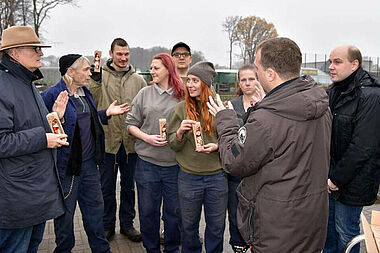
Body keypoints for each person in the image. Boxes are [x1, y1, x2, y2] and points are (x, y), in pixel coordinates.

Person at [208, 37, 332, 253]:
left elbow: (234, 162)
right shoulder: (320, 105)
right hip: (311, 222)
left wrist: (225, 120)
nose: (255, 74)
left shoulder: (267, 120)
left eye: (257, 68)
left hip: (276, 229)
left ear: (270, 73)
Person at [41, 54, 129, 253]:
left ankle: (101, 249)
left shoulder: (84, 92)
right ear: (70, 72)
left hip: (90, 166)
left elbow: (87, 122)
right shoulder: (51, 95)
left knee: (95, 214)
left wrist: (106, 113)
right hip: (67, 167)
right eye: (86, 69)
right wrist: (58, 119)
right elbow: (41, 129)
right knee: (65, 217)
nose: (90, 73)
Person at [0, 26, 66, 252]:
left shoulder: (25, 83)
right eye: (35, 48)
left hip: (33, 193)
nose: (40, 53)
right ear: (14, 53)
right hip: (18, 196)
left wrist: (55, 118)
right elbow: (2, 141)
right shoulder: (3, 86)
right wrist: (43, 138)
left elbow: (28, 126)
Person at [323, 45, 380, 253]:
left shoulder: (371, 96)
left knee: (346, 233)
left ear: (354, 64)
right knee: (328, 232)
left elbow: (364, 146)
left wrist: (336, 179)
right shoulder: (334, 91)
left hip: (352, 180)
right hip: (331, 176)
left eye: (337, 62)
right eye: (330, 62)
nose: (331, 67)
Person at [89, 38, 146, 242]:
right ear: (111, 53)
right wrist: (95, 79)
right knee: (106, 186)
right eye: (119, 54)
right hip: (108, 142)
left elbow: (144, 108)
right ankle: (107, 225)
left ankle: (127, 224)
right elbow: (92, 100)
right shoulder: (99, 77)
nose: (123, 58)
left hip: (131, 144)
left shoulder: (138, 80)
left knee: (129, 187)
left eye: (126, 54)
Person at [126, 53, 183, 253]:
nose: (152, 71)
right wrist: (147, 138)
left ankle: (172, 248)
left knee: (174, 213)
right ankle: (151, 249)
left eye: (156, 68)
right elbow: (130, 124)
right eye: (151, 68)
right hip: (147, 164)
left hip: (175, 165)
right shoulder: (144, 94)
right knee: (148, 212)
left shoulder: (182, 94)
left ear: (168, 68)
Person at [168, 61, 228, 253]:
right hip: (189, 177)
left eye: (195, 80)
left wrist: (218, 146)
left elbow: (232, 141)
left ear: (206, 83)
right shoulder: (180, 110)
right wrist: (179, 133)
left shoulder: (220, 109)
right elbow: (172, 144)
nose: (190, 85)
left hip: (217, 177)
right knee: (188, 227)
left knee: (216, 227)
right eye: (188, 80)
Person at [227, 65, 264, 253]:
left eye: (252, 79)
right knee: (236, 209)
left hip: (260, 170)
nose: (248, 83)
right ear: (239, 83)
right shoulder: (232, 106)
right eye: (244, 80)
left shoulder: (267, 103)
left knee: (259, 212)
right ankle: (238, 244)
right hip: (238, 170)